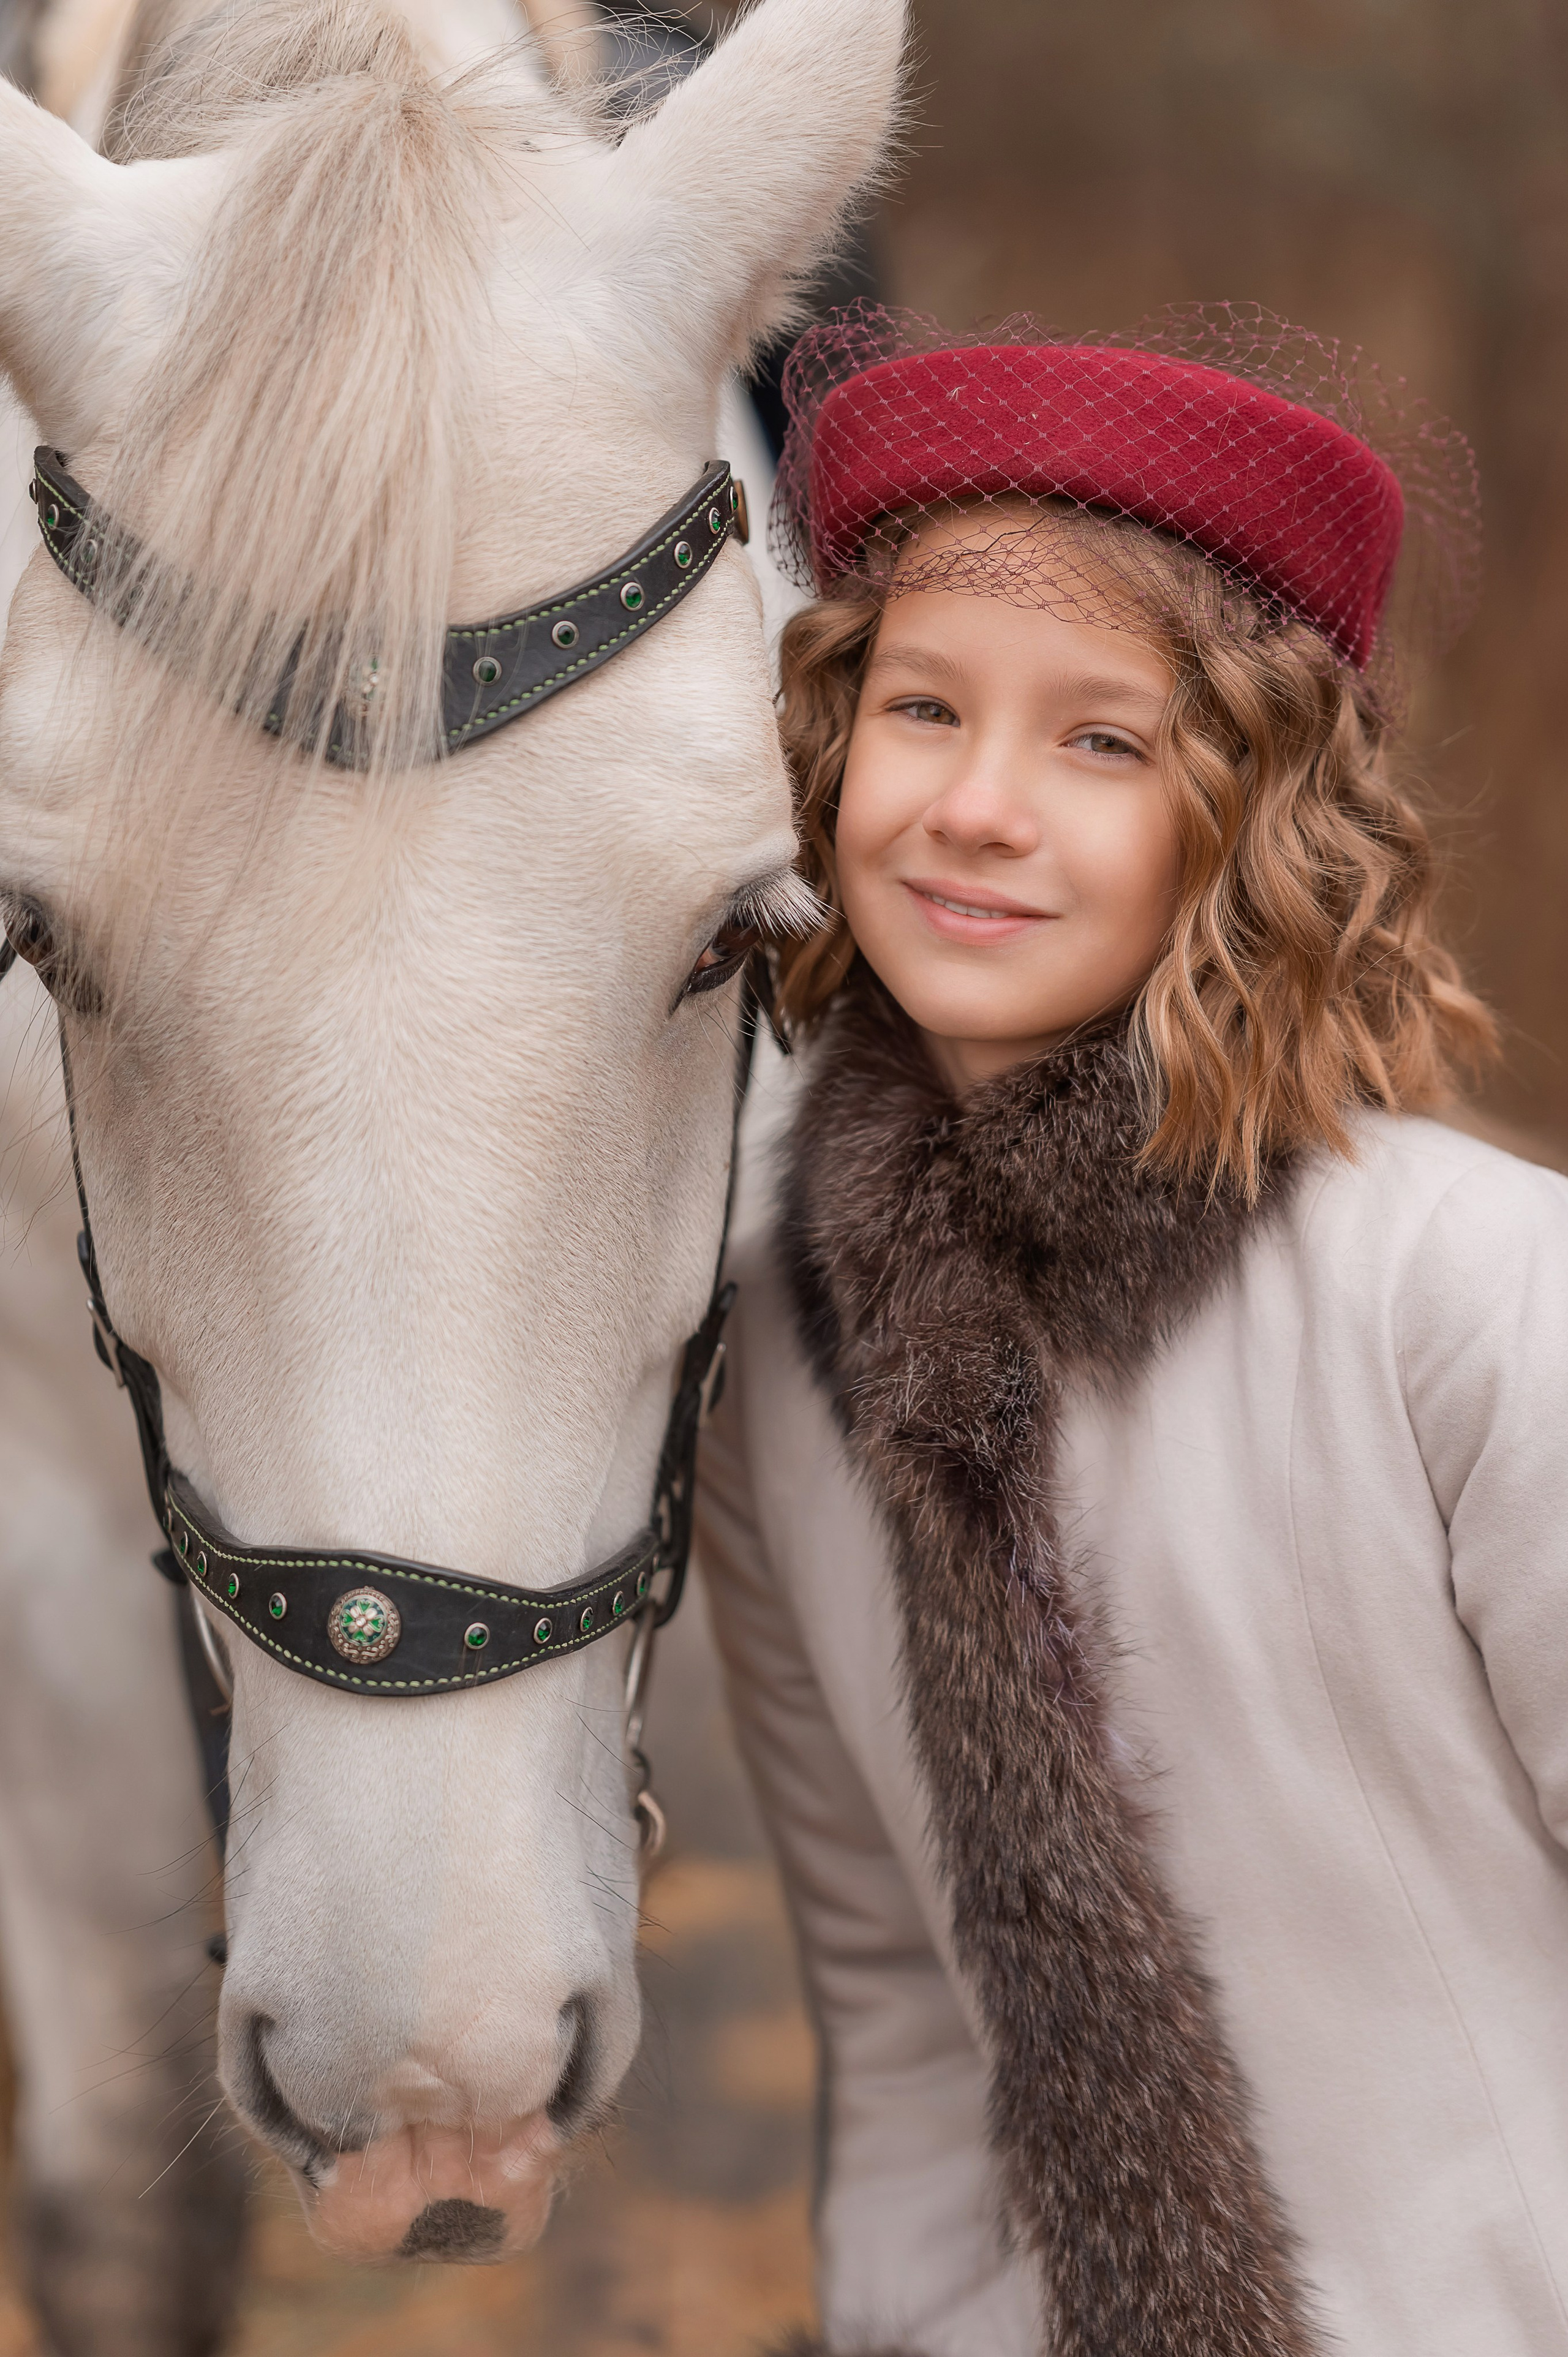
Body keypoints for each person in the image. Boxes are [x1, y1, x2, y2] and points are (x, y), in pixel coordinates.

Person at [695, 304, 1568, 2357]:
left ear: (1251, 806)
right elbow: (905, 2014)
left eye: (1104, 739)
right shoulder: (779, 1373)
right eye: (922, 710)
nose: (978, 807)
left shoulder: (1473, 1290)